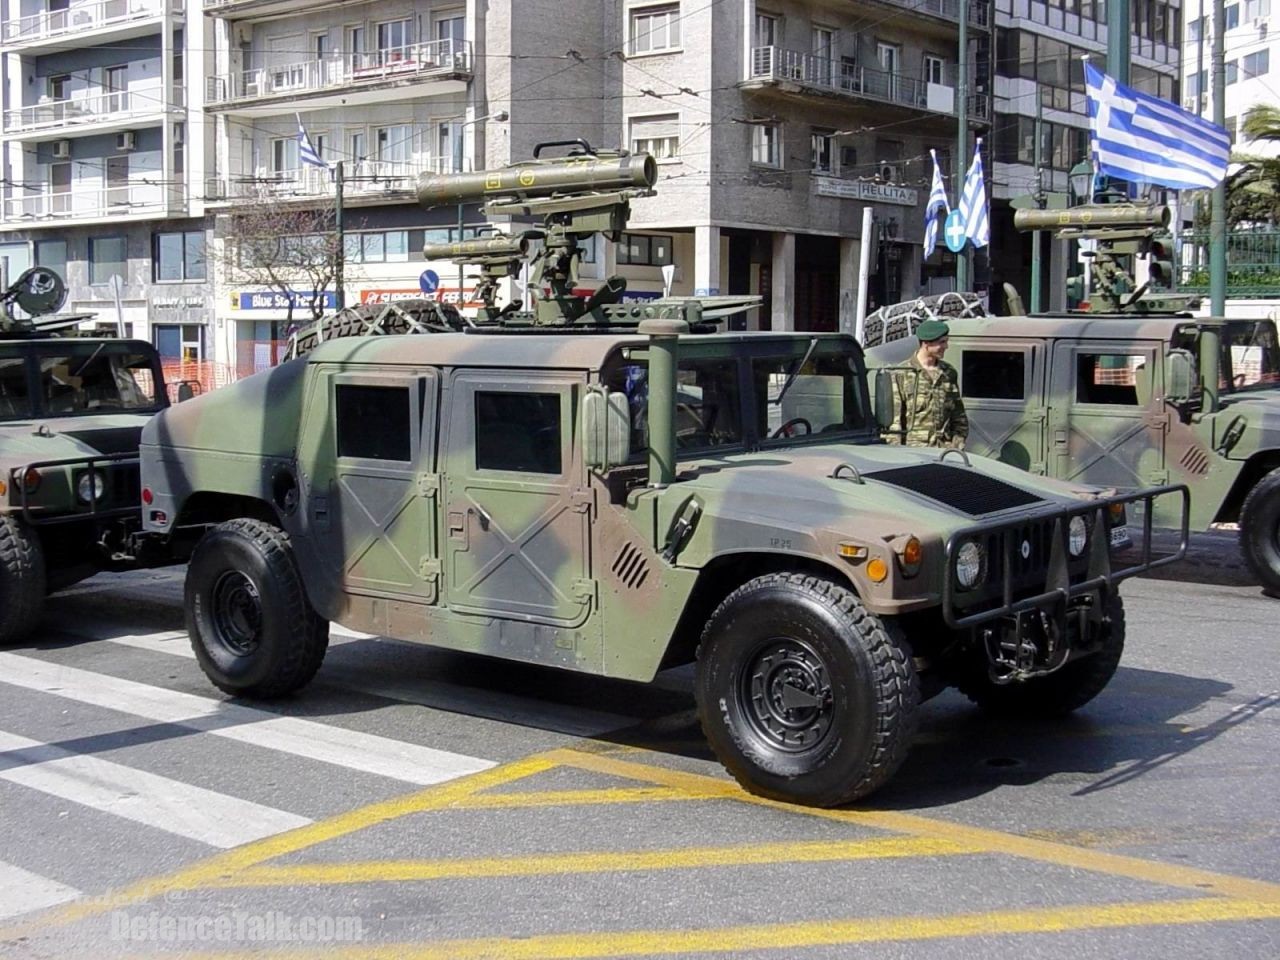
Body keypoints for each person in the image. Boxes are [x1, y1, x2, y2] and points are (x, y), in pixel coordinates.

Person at [886, 319, 968, 449]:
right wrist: (897, 452)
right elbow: (894, 421)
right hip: (914, 451)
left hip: (944, 451)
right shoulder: (902, 373)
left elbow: (958, 414)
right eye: (942, 342)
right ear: (926, 344)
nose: (946, 346)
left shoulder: (948, 373)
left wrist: (958, 442)